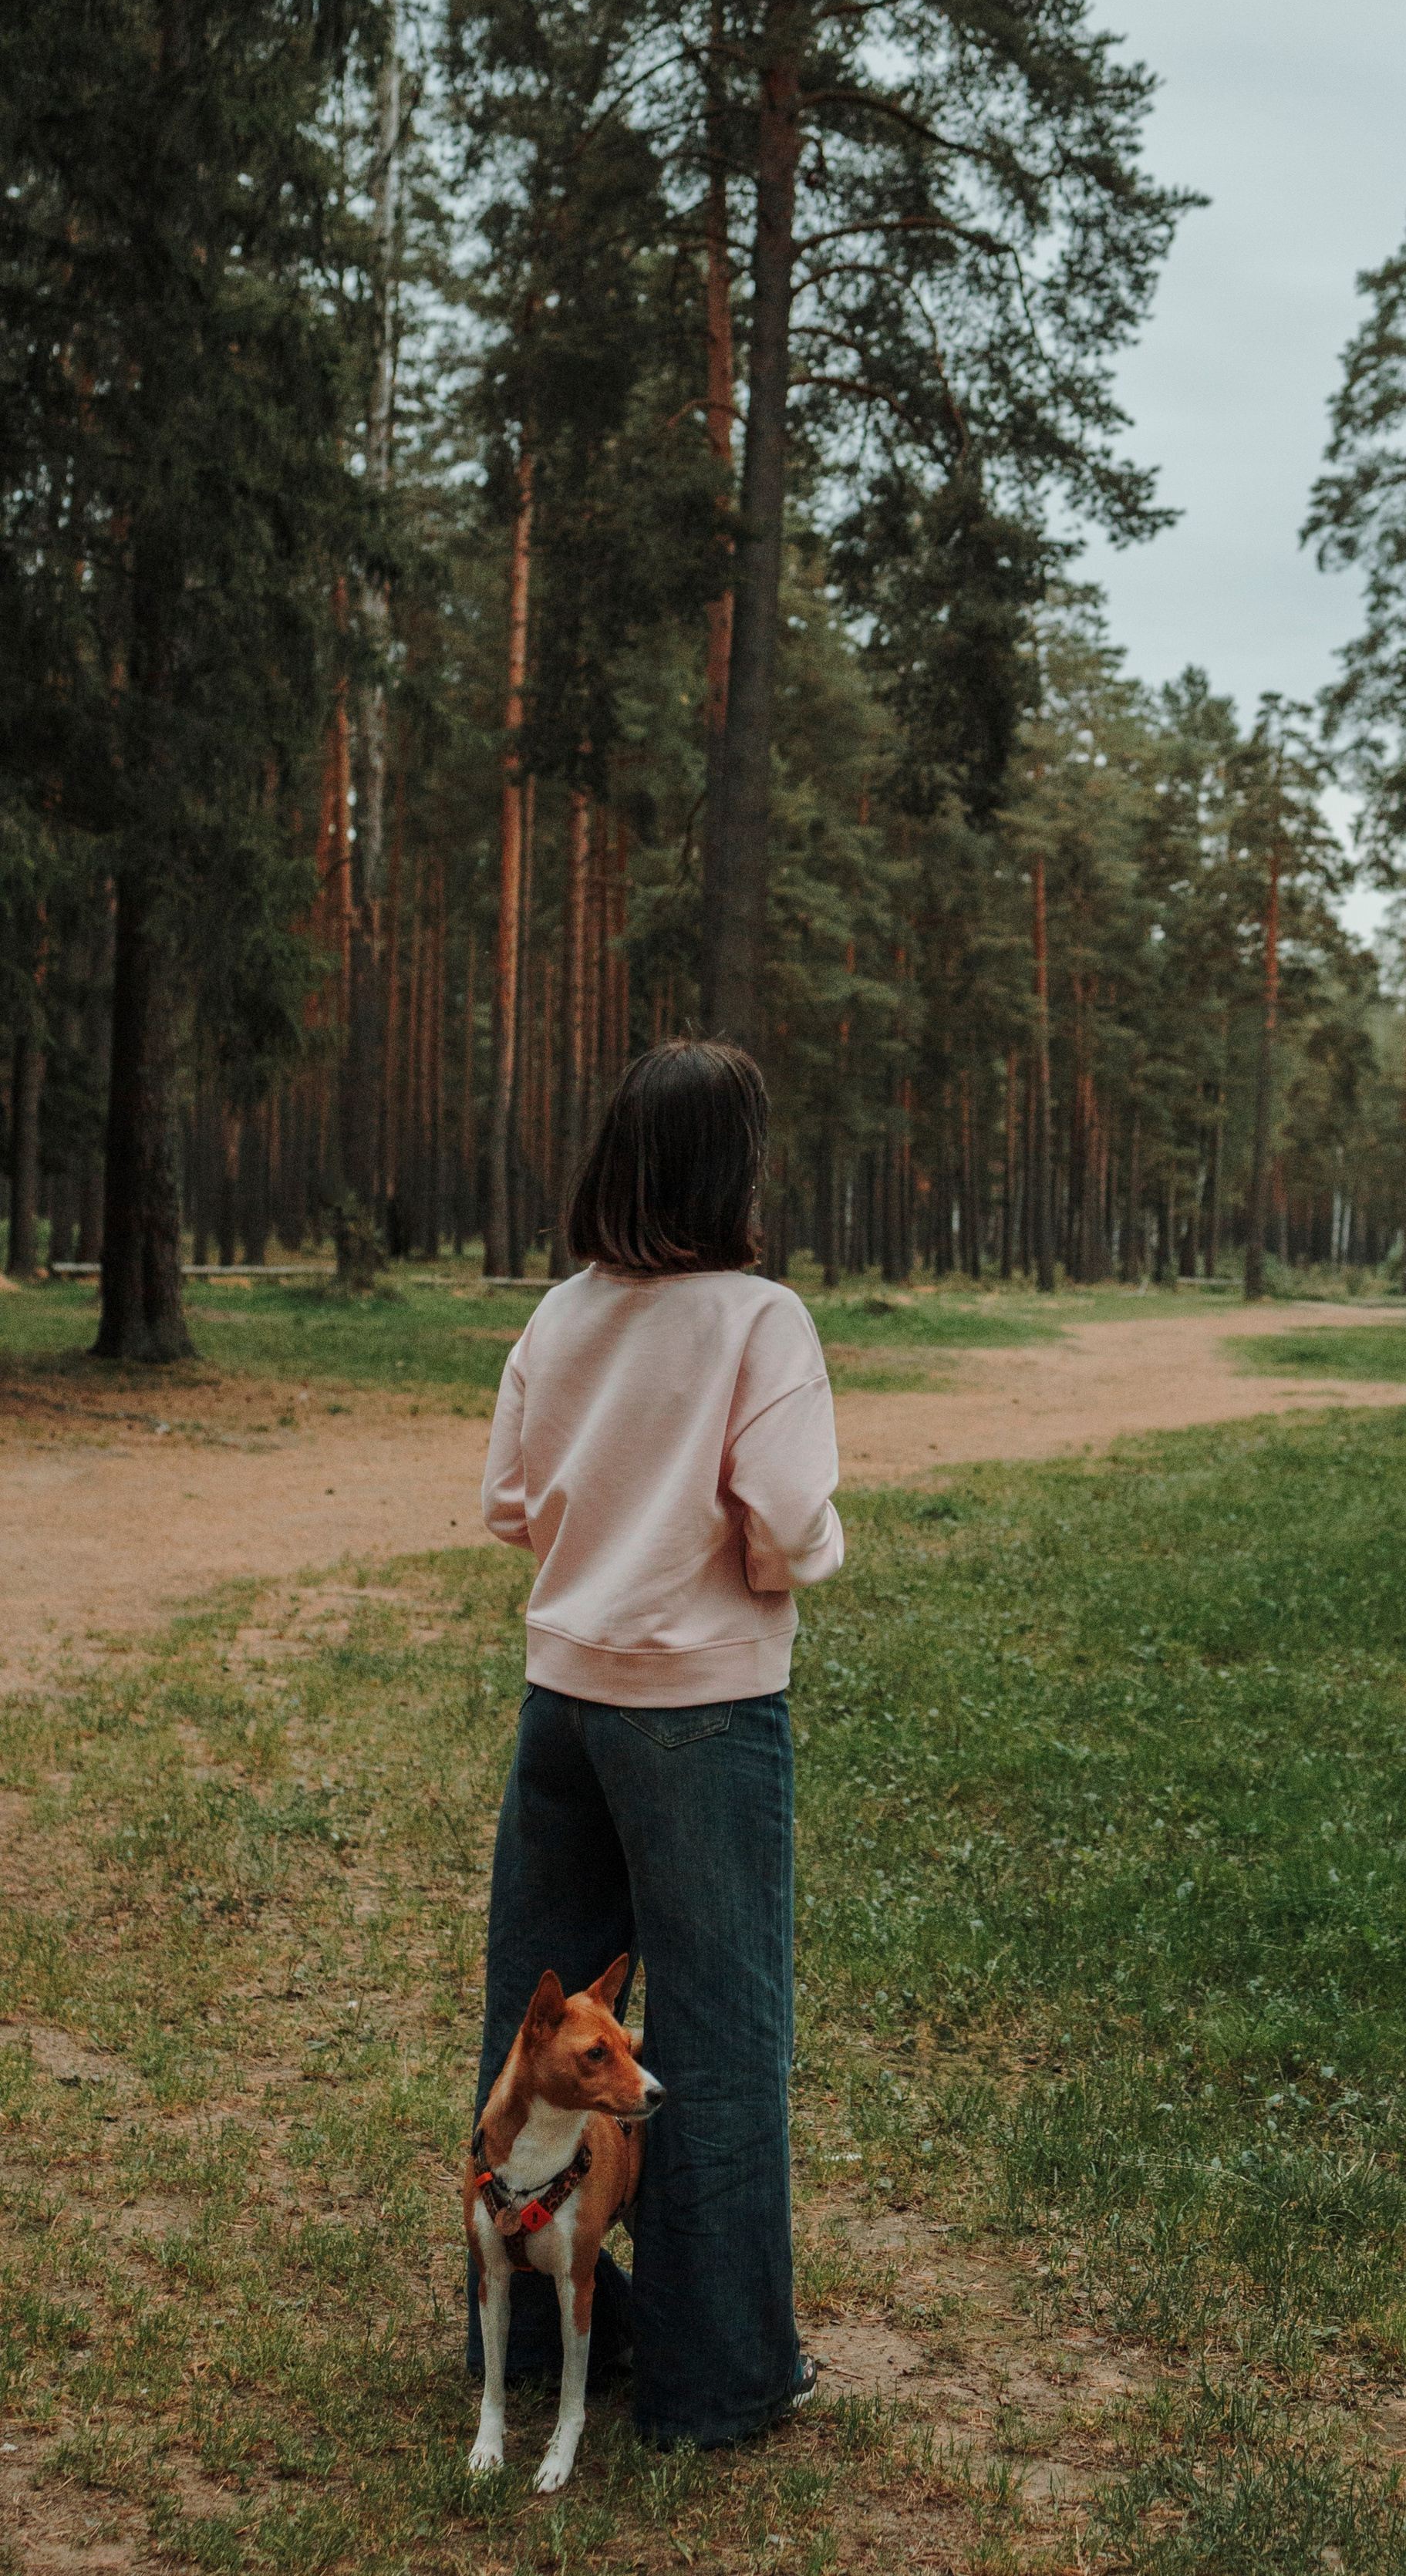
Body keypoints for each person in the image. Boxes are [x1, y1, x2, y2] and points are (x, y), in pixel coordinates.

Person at [469, 1036, 843, 2446]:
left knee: (537, 2030)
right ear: (733, 1170)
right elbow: (788, 1517)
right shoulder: (761, 1319)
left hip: (562, 1704)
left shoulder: (560, 1315)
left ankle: (527, 2337)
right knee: (724, 2039)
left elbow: (510, 1505)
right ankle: (718, 2379)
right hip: (704, 1711)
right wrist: (796, 1562)